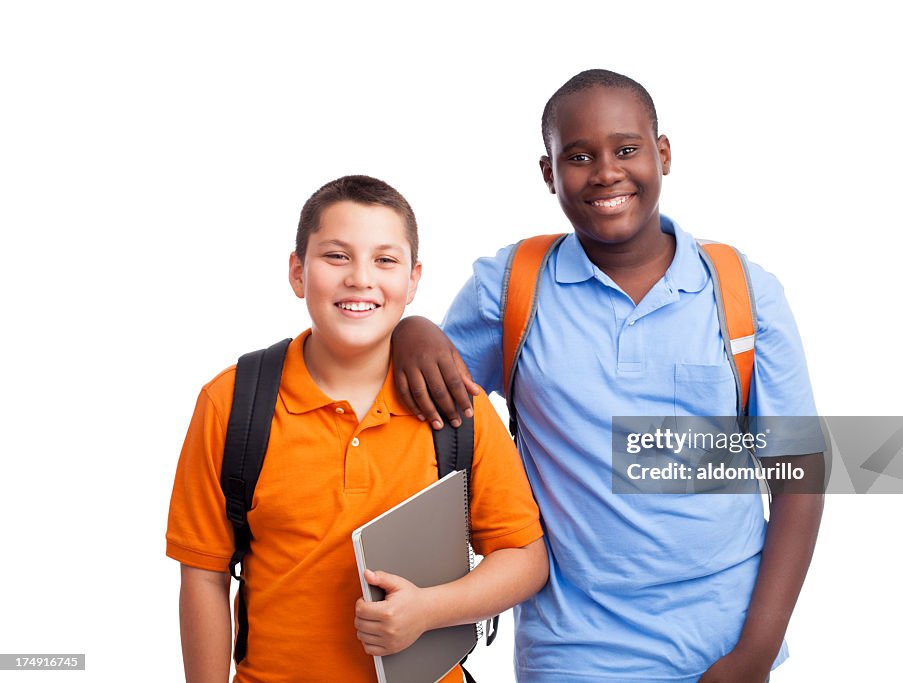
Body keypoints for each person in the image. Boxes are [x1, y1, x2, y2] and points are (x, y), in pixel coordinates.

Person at [392, 70, 825, 683]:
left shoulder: (742, 291)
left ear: (662, 153)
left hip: (723, 638)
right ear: (548, 173)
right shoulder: (509, 288)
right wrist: (411, 331)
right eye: (578, 156)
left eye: (626, 149)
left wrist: (754, 654)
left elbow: (799, 474)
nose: (605, 172)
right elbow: (420, 408)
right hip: (571, 646)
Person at [166, 175, 548, 683]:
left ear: (413, 281)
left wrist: (429, 611)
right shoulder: (232, 403)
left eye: (384, 260)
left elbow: (524, 557)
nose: (361, 279)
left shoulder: (456, 409)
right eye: (336, 256)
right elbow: (203, 577)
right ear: (298, 273)